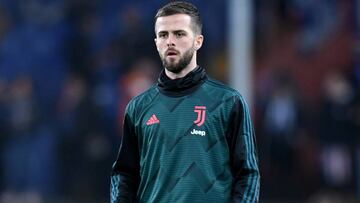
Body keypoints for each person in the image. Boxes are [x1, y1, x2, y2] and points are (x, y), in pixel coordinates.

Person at [110, 1, 260, 202]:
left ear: (198, 41)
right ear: (156, 43)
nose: (170, 41)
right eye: (163, 35)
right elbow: (124, 175)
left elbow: (247, 174)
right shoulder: (138, 107)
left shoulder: (228, 102)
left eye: (179, 34)